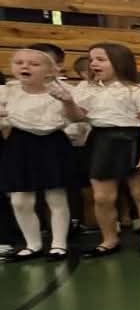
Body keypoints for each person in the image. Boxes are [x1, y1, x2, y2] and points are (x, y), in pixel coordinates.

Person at [74, 43, 140, 258]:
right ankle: (109, 239)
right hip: (101, 140)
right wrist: (66, 101)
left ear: (119, 62)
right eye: (92, 59)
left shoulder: (138, 90)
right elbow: (77, 116)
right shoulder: (86, 89)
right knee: (102, 197)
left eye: (101, 59)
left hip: (132, 139)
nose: (94, 64)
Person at [0, 48, 83, 261]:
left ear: (49, 70)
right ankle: (33, 245)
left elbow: (77, 118)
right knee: (20, 200)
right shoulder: (7, 91)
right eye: (19, 62)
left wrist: (68, 102)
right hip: (19, 144)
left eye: (33, 64)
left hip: (52, 143)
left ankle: (59, 244)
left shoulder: (62, 90)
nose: (25, 67)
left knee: (55, 197)